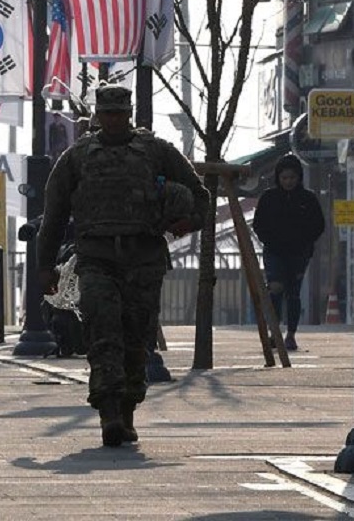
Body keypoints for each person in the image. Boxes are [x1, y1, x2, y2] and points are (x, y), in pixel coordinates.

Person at [36, 85, 210, 447]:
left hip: (143, 256)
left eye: (119, 113)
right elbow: (53, 216)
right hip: (97, 257)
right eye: (107, 113)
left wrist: (184, 222)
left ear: (129, 113)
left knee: (136, 337)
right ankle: (108, 412)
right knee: (103, 332)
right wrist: (45, 267)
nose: (114, 120)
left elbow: (199, 197)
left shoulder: (156, 152)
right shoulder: (77, 157)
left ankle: (127, 408)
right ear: (98, 115)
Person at [252, 153, 325, 352]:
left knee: (293, 293)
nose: (288, 181)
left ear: (298, 177)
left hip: (299, 253)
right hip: (274, 251)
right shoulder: (269, 198)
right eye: (284, 178)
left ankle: (291, 334)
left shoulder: (308, 198)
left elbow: (319, 225)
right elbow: (258, 224)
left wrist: (305, 242)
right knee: (275, 288)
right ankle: (274, 332)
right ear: (278, 178)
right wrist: (268, 239)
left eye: (292, 177)